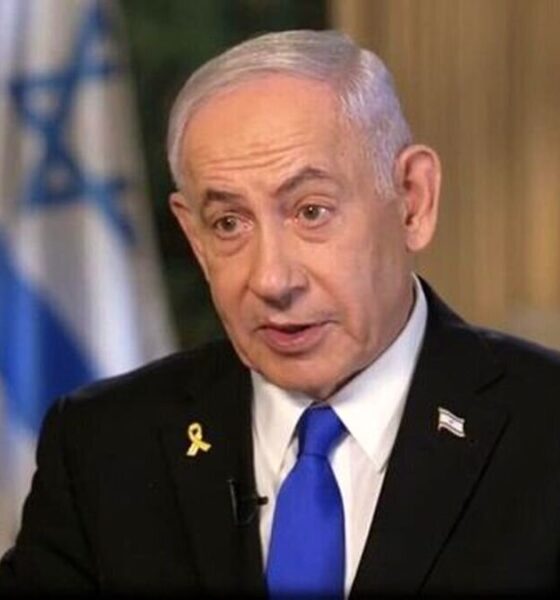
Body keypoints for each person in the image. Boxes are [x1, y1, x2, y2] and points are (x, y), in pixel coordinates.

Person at [1, 29, 560, 597]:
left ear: (412, 201)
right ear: (195, 238)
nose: (272, 280)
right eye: (229, 224)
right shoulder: (103, 445)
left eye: (311, 211)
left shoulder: (546, 427)